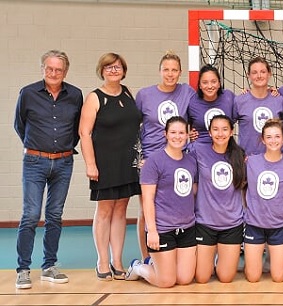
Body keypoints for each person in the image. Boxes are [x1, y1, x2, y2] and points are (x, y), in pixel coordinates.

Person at [14, 50, 82, 289]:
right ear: (43, 69)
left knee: (54, 215)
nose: (54, 73)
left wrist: (62, 148)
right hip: (34, 162)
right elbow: (19, 125)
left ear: (66, 72)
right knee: (31, 215)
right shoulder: (28, 93)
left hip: (64, 163)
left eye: (59, 70)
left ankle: (49, 266)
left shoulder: (75, 95)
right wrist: (37, 147)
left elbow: (77, 129)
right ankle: (23, 269)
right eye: (49, 69)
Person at [79, 53, 141, 281]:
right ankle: (102, 261)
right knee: (105, 210)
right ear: (101, 70)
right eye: (108, 67)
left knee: (121, 210)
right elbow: (84, 133)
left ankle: (117, 260)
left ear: (123, 71)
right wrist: (91, 164)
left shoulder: (128, 92)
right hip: (104, 163)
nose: (113, 70)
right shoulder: (95, 97)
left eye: (117, 67)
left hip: (128, 162)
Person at [135, 52, 196, 262]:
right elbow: (133, 128)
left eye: (174, 70)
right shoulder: (144, 95)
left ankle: (175, 251)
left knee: (178, 203)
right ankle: (146, 257)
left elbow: (196, 117)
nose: (170, 74)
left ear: (180, 72)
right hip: (152, 158)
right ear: (160, 71)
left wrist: (193, 133)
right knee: (146, 208)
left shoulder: (187, 92)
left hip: (179, 157)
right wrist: (139, 158)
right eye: (166, 69)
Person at [126, 116, 197, 288]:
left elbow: (193, 191)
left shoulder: (191, 161)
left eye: (181, 133)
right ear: (165, 134)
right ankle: (137, 267)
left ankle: (157, 265)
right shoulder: (154, 162)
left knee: (185, 279)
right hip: (163, 229)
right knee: (166, 281)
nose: (177, 136)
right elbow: (148, 200)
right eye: (173, 132)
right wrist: (152, 231)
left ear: (187, 135)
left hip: (187, 228)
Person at [191, 115, 246, 284]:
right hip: (205, 223)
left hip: (231, 224)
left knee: (226, 277)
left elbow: (243, 186)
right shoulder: (198, 152)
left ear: (231, 132)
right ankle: (209, 260)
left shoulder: (240, 156)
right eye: (215, 129)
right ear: (209, 132)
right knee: (201, 278)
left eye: (224, 129)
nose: (220, 133)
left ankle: (218, 260)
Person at [244, 119, 283, 283]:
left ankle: (280, 264)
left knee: (278, 277)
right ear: (263, 140)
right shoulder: (251, 162)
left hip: (278, 225)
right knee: (253, 278)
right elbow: (242, 187)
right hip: (255, 224)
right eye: (269, 137)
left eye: (277, 136)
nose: (273, 140)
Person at [234, 58, 283, 154]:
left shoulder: (279, 99)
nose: (259, 76)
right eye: (254, 72)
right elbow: (227, 127)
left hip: (274, 159)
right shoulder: (239, 100)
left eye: (263, 72)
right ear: (248, 75)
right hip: (247, 161)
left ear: (269, 74)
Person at [187, 65, 235, 150]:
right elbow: (182, 123)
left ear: (219, 83)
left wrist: (246, 94)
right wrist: (188, 133)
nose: (209, 86)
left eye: (213, 81)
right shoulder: (192, 102)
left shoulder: (229, 97)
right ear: (200, 85)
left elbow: (245, 115)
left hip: (226, 149)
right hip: (200, 150)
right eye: (205, 82)